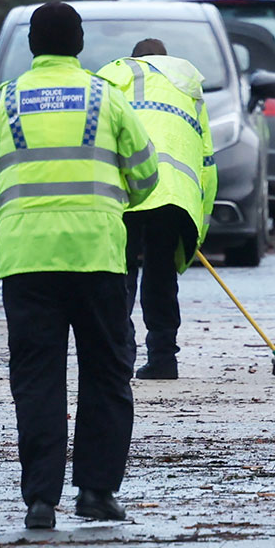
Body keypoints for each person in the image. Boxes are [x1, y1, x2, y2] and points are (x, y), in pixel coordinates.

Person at [0, 2, 159, 528]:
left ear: (32, 45)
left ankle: (40, 501)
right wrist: (109, 205)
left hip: (27, 260)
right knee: (107, 373)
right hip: (97, 256)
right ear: (78, 45)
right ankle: (96, 492)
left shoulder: (4, 102)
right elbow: (146, 177)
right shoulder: (107, 98)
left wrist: (16, 215)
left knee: (37, 378)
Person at [95, 38, 217, 380]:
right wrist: (197, 232)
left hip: (127, 189)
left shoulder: (113, 76)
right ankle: (164, 358)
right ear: (167, 60)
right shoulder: (189, 88)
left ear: (135, 59)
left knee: (121, 272)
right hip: (174, 195)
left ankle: (121, 355)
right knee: (161, 273)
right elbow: (207, 160)